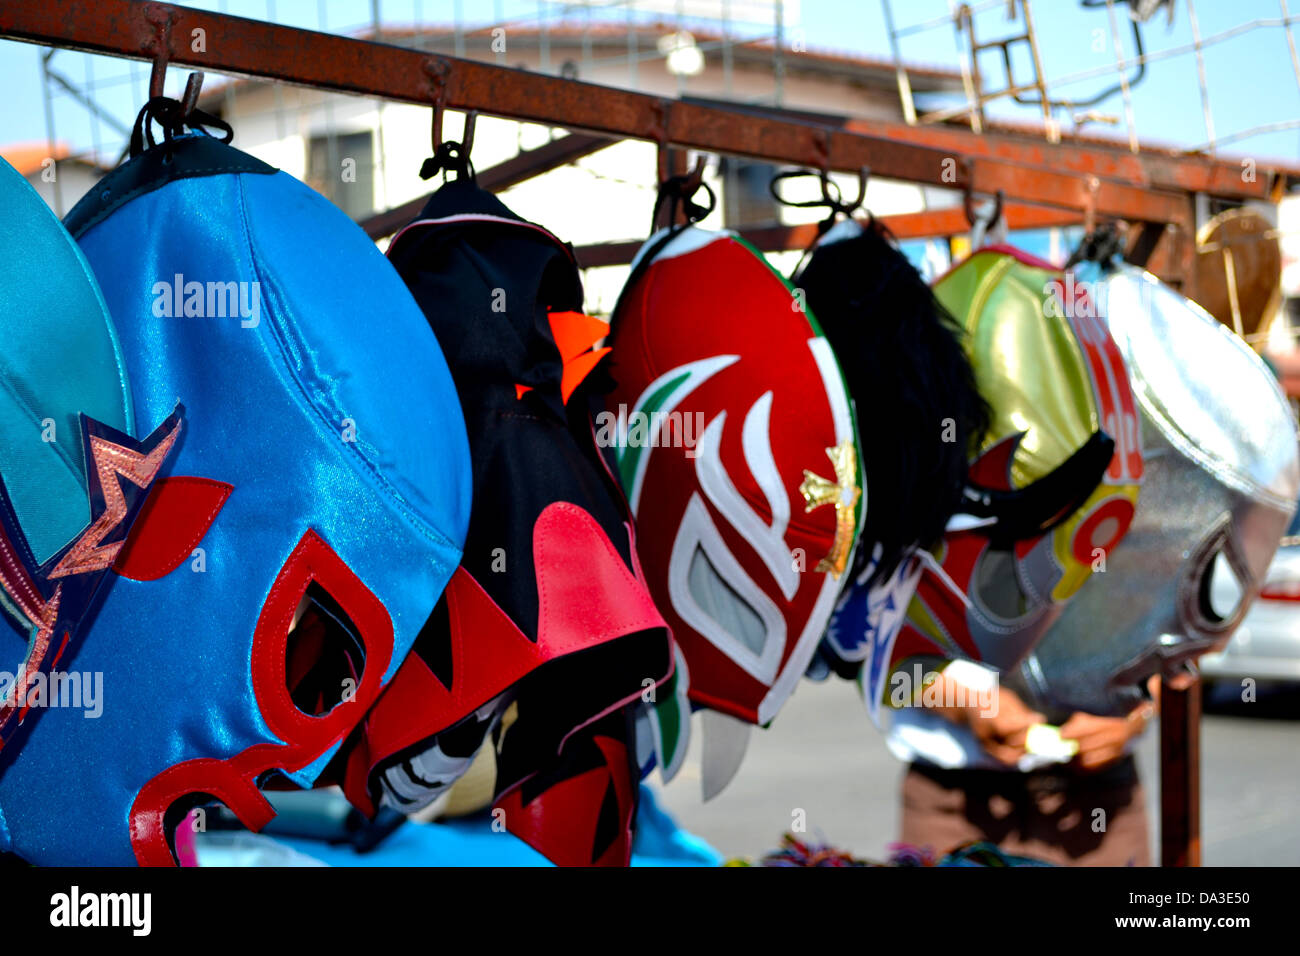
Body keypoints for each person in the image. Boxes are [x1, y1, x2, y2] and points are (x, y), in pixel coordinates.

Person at [890, 661, 1156, 866]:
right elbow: (863, 646)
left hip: (1098, 811)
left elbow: (1188, 628)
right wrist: (964, 702)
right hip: (954, 807)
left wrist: (1136, 711)